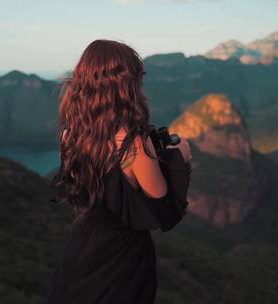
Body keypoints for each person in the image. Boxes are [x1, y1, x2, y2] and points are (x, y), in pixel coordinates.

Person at [46, 39, 192, 304]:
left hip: (81, 251)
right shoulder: (132, 141)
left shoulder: (69, 135)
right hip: (123, 260)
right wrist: (180, 159)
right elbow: (164, 211)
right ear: (124, 83)